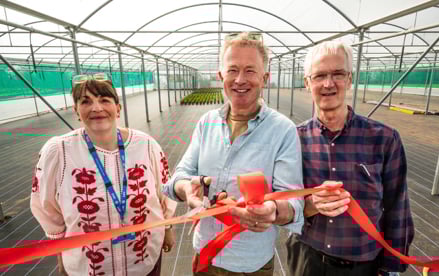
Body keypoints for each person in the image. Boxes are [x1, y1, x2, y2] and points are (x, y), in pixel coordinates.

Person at [163, 32, 304, 275]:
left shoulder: (282, 130)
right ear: (221, 76)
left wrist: (273, 211)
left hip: (250, 264)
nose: (240, 79)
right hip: (205, 256)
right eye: (232, 70)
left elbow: (294, 201)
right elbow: (177, 178)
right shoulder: (207, 122)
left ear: (265, 78)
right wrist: (186, 189)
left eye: (250, 70)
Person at [287, 41, 415, 276]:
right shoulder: (293, 139)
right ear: (307, 83)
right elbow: (284, 201)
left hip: (363, 264)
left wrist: (392, 267)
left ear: (349, 79)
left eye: (337, 74)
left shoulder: (384, 139)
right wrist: (310, 204)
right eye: (319, 76)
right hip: (308, 257)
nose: (328, 84)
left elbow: (398, 207)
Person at [30, 74, 177, 276]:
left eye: (104, 100)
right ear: (76, 111)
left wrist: (167, 228)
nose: (96, 108)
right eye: (86, 101)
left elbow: (164, 192)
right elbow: (45, 204)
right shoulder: (59, 151)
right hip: (87, 267)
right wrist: (60, 252)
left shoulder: (146, 145)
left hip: (144, 260)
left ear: (118, 108)